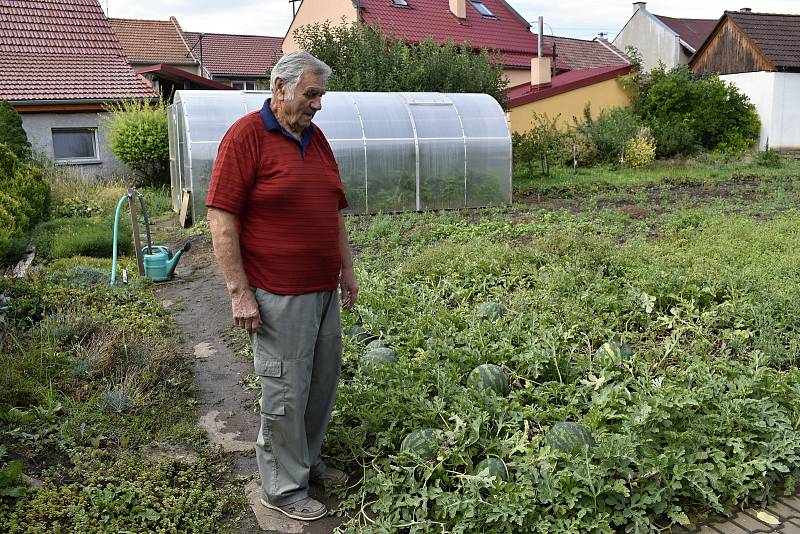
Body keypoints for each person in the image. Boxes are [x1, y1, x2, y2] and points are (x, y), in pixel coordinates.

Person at [206, 51, 358, 522]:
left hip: (321, 290)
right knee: (285, 391)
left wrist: (347, 271)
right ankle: (282, 488)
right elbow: (221, 218)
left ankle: (308, 463)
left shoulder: (317, 140)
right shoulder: (246, 136)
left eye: (321, 96)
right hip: (276, 293)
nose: (317, 105)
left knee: (320, 384)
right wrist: (239, 291)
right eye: (311, 94)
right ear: (280, 87)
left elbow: (333, 211)